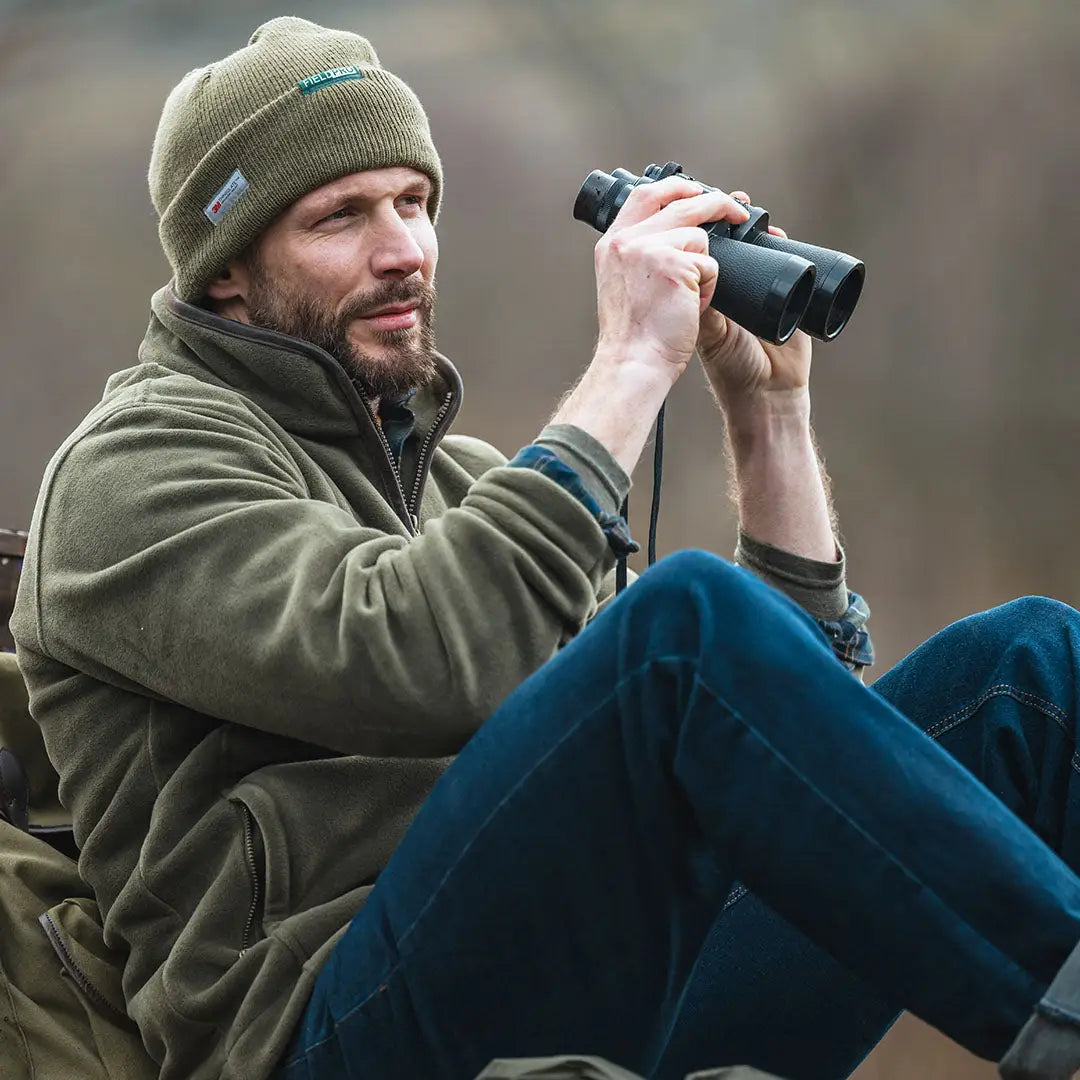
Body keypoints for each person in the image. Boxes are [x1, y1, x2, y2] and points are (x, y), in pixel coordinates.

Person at [10, 16, 1080, 1080]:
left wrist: (768, 415)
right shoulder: (132, 471)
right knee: (680, 630)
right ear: (226, 268)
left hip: (584, 971)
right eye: (341, 217)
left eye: (415, 203)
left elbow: (788, 737)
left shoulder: (470, 484)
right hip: (332, 1031)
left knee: (1029, 671)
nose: (403, 250)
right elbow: (422, 656)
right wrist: (628, 364)